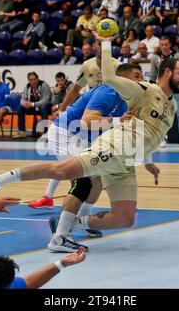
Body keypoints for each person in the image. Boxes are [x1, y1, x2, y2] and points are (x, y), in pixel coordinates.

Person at [0, 43, 179, 247]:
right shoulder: (136, 90)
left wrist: (148, 161)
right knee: (74, 176)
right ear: (167, 73)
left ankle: (75, 223)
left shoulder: (170, 104)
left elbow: (145, 130)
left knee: (124, 217)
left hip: (124, 157)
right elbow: (88, 119)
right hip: (71, 133)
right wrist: (105, 43)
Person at [45, 63, 143, 252]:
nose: (141, 80)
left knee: (97, 177)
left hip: (83, 137)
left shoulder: (127, 99)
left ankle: (82, 221)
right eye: (137, 76)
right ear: (123, 79)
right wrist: (117, 121)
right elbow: (86, 122)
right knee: (83, 180)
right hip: (65, 133)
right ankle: (59, 236)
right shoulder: (107, 92)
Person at [27, 39, 120, 209]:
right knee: (74, 164)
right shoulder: (88, 65)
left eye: (102, 44)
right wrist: (61, 109)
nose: (99, 47)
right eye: (97, 44)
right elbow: (75, 90)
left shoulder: (116, 65)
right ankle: (51, 197)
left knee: (91, 167)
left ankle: (122, 199)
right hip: (87, 115)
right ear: (94, 47)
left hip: (103, 119)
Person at [150, 35, 179, 147]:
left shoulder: (178, 57)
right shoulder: (154, 58)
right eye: (162, 45)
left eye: (166, 44)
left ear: (170, 45)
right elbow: (153, 77)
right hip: (161, 91)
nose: (164, 47)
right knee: (161, 114)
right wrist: (153, 92)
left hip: (177, 89)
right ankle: (162, 138)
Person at [13, 72, 52, 139]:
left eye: (34, 79)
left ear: (37, 79)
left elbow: (46, 100)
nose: (33, 81)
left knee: (43, 107)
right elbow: (22, 99)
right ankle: (22, 132)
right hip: (33, 107)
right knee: (20, 108)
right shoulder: (27, 86)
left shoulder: (44, 85)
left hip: (45, 107)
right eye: (31, 80)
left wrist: (33, 104)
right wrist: (24, 104)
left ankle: (45, 132)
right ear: (29, 80)